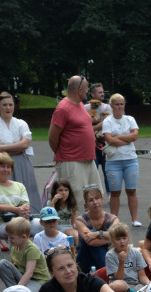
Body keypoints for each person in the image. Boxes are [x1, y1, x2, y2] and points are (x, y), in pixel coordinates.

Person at [49, 75, 103, 207]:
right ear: (79, 90)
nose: (87, 92)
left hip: (88, 159)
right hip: (71, 161)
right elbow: (52, 137)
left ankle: (89, 226)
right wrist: (61, 153)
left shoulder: (79, 105)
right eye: (86, 89)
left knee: (94, 197)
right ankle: (74, 227)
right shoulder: (63, 108)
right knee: (76, 199)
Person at [0, 91, 41, 209]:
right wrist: (17, 146)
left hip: (22, 163)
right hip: (1, 164)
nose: (8, 108)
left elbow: (25, 144)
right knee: (4, 193)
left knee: (28, 192)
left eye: (10, 104)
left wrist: (3, 147)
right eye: (4, 105)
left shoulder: (21, 123)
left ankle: (32, 220)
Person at [101, 93, 142, 227]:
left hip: (130, 159)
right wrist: (126, 137)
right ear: (112, 106)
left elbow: (135, 136)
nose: (119, 107)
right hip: (114, 161)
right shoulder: (108, 121)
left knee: (131, 190)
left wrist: (118, 138)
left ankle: (134, 219)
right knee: (115, 192)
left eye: (121, 104)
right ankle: (114, 220)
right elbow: (109, 139)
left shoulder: (130, 119)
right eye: (116, 104)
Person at [0, 152, 40, 240]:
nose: (6, 170)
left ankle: (44, 252)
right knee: (19, 228)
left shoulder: (19, 186)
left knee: (46, 224)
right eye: (2, 166)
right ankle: (21, 253)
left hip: (23, 220)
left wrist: (24, 210)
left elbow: (26, 205)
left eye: (8, 167)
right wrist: (17, 210)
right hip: (1, 223)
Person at [0, 217, 49, 292]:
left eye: (12, 238)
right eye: (8, 236)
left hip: (38, 281)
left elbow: (29, 273)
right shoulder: (15, 246)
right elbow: (14, 265)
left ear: (24, 237)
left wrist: (18, 288)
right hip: (24, 276)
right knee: (2, 264)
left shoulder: (31, 249)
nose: (8, 240)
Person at [73, 186, 117, 273]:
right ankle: (107, 273)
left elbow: (118, 235)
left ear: (102, 199)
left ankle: (105, 272)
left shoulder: (113, 219)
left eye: (97, 198)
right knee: (92, 240)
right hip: (85, 259)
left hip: (109, 255)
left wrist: (97, 234)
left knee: (93, 234)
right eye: (91, 200)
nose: (95, 202)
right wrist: (111, 238)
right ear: (86, 204)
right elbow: (91, 242)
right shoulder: (80, 220)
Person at [104, 222, 150, 292]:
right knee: (120, 285)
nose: (122, 242)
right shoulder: (110, 255)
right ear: (112, 241)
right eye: (118, 239)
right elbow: (119, 278)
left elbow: (142, 276)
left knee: (149, 288)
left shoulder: (136, 253)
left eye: (124, 238)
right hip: (119, 283)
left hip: (135, 285)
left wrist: (149, 284)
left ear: (128, 238)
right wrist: (121, 262)